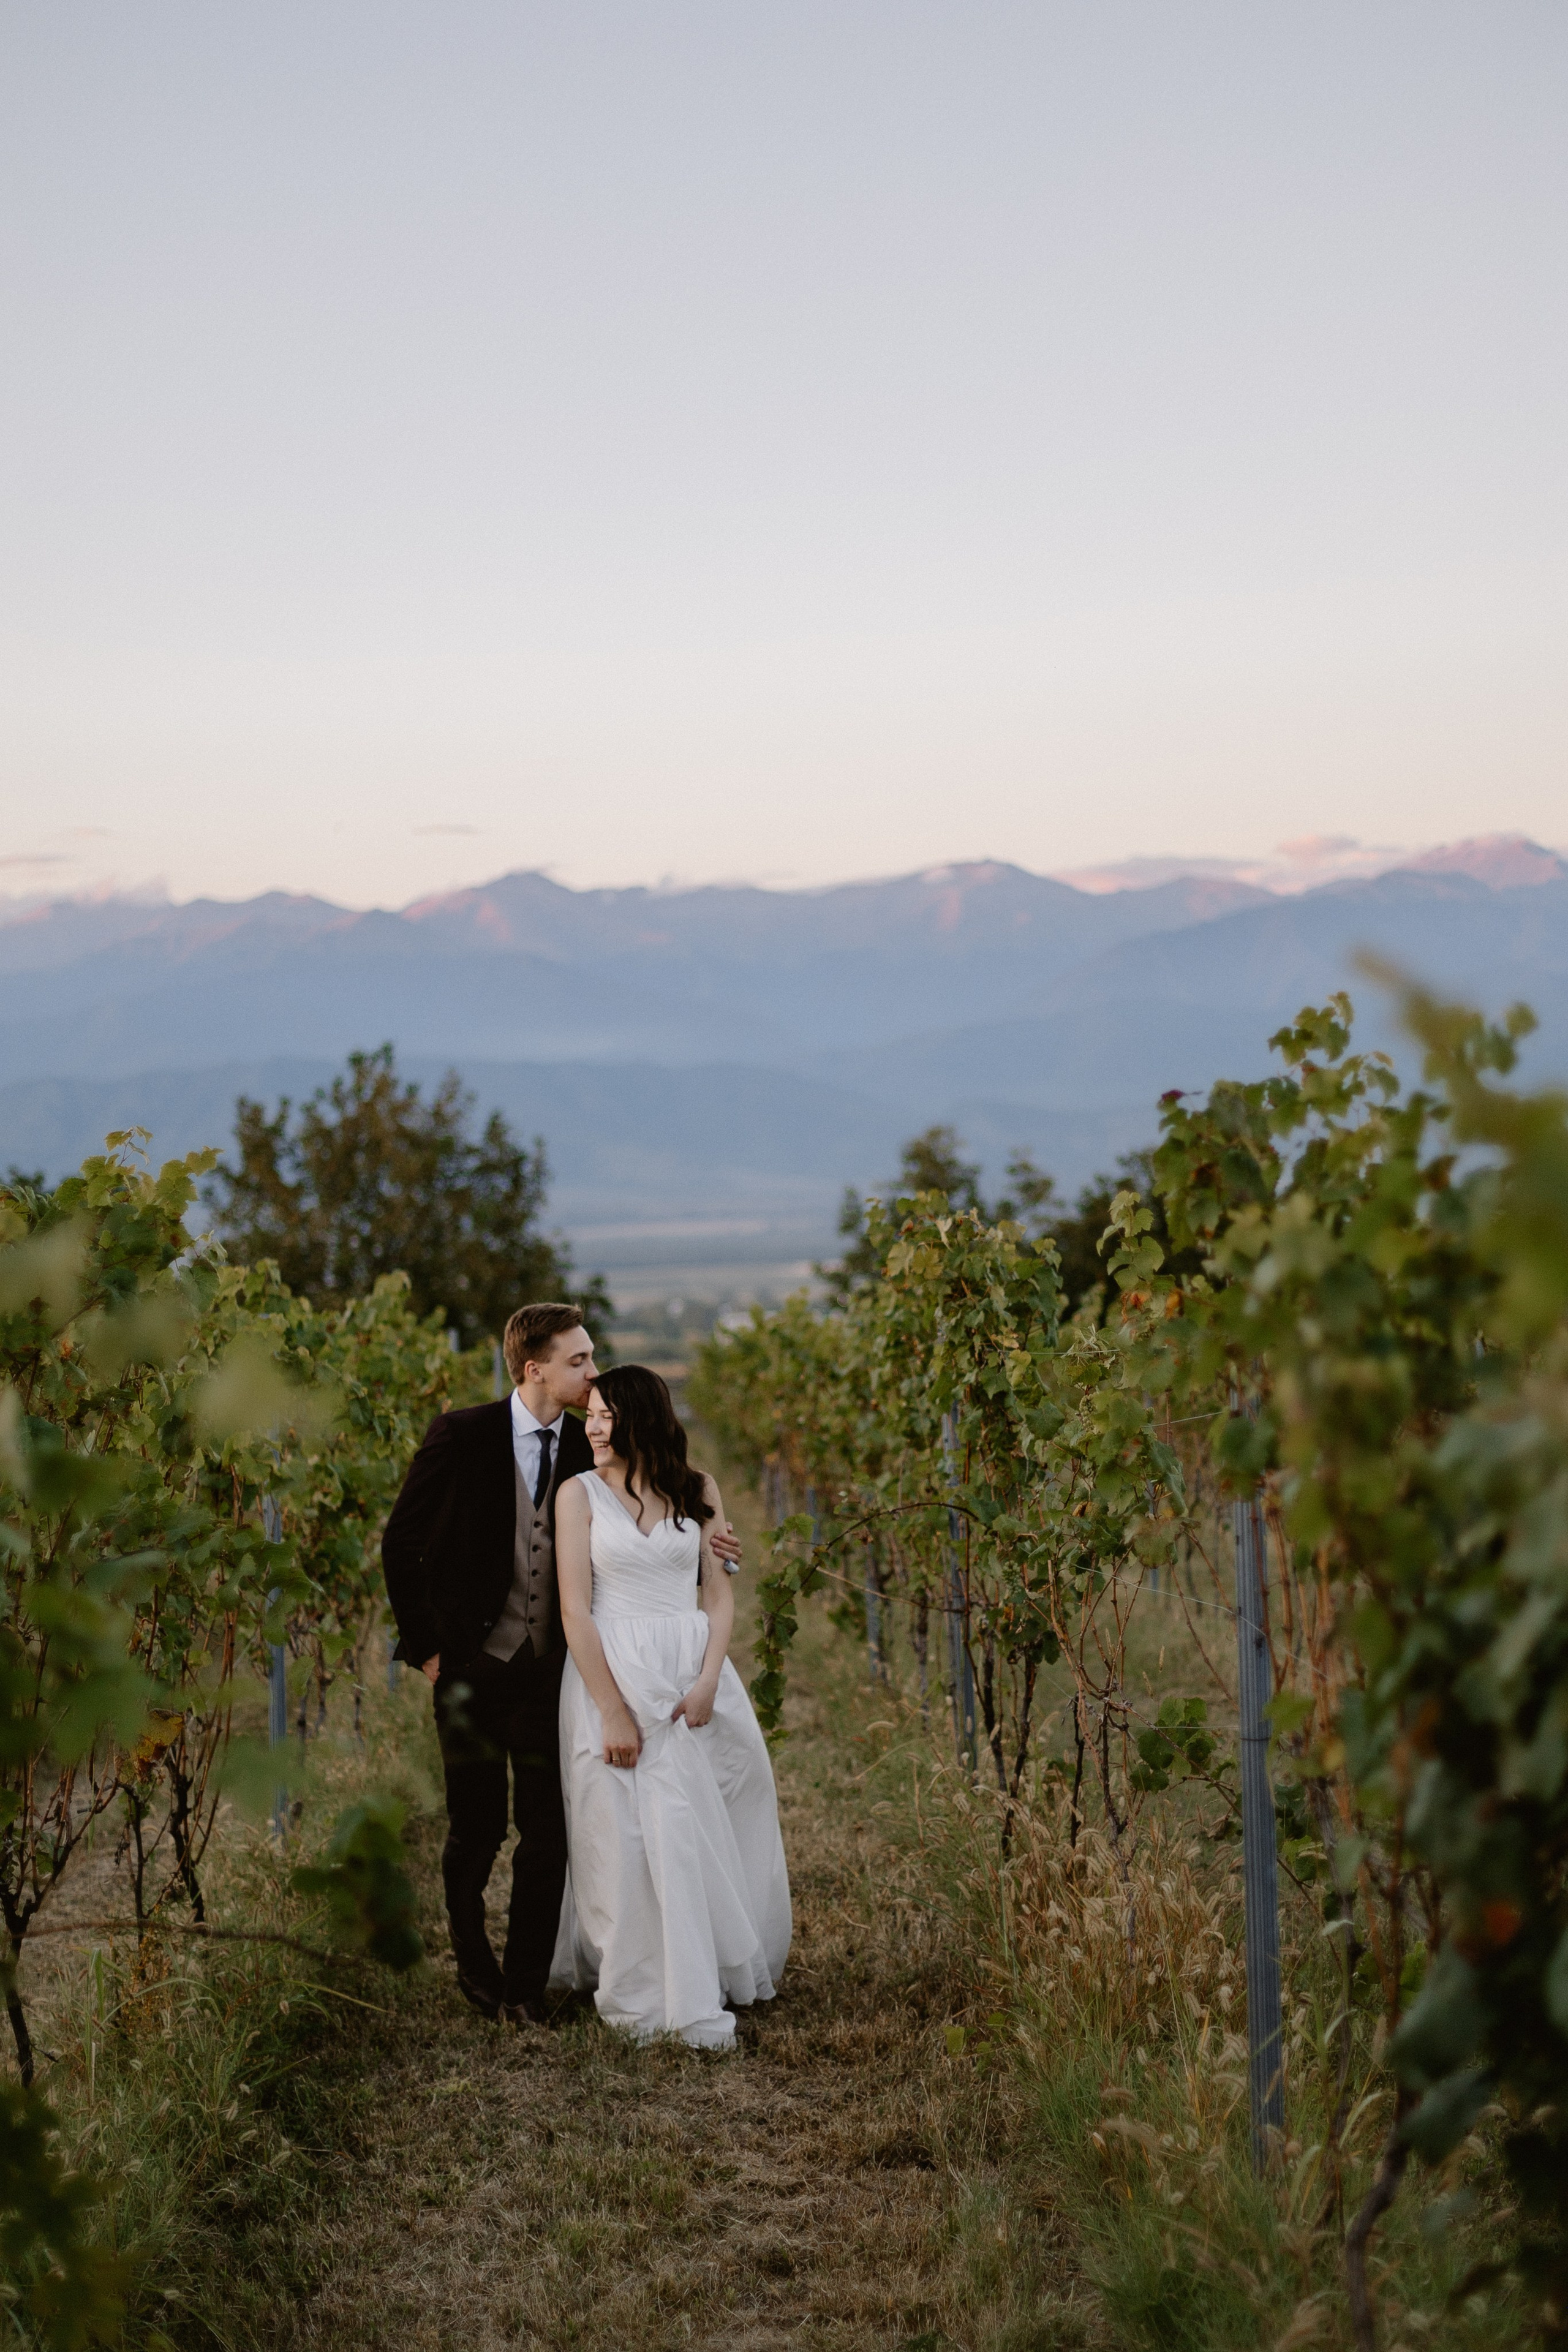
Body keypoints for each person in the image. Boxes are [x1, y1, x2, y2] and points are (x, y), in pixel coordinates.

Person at [382, 1303, 746, 2024]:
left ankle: (523, 1987)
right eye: (579, 1359)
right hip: (468, 1667)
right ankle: (474, 1964)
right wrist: (426, 1649)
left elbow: (662, 1496)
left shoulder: (594, 1445)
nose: (592, 1371)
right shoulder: (462, 1434)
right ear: (534, 1368)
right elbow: (402, 1543)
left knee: (549, 1832)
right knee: (475, 1828)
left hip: (555, 1673)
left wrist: (716, 1536)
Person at [549, 1363, 791, 2048]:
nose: (591, 1428)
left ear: (640, 1418)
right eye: (588, 1416)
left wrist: (710, 1677)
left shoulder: (698, 1488)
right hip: (611, 1667)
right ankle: (641, 1983)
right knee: (620, 1832)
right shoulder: (578, 1495)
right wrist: (613, 1710)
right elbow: (574, 1607)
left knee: (698, 1821)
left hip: (689, 1665)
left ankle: (701, 1970)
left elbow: (717, 1592)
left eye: (604, 1416)